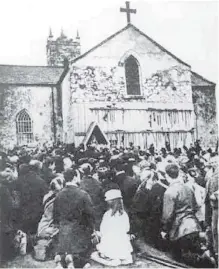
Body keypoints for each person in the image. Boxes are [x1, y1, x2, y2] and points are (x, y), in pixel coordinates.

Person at [161, 164, 210, 267]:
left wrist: (164, 230)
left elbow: (167, 215)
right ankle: (206, 258)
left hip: (180, 229)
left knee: (181, 258)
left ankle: (205, 259)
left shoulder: (169, 192)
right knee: (193, 253)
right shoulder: (188, 188)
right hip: (194, 225)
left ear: (167, 176)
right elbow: (196, 206)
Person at [53, 168, 95, 268]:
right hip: (79, 230)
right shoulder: (83, 194)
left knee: (66, 243)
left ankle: (63, 258)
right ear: (75, 177)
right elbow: (90, 214)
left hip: (64, 230)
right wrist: (92, 229)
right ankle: (75, 259)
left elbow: (55, 215)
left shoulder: (59, 195)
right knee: (86, 255)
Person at [92, 189, 133, 266]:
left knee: (95, 254)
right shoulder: (124, 214)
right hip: (122, 242)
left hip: (110, 242)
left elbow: (103, 230)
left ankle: (111, 258)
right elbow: (127, 228)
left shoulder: (108, 214)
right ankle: (120, 257)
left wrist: (98, 234)